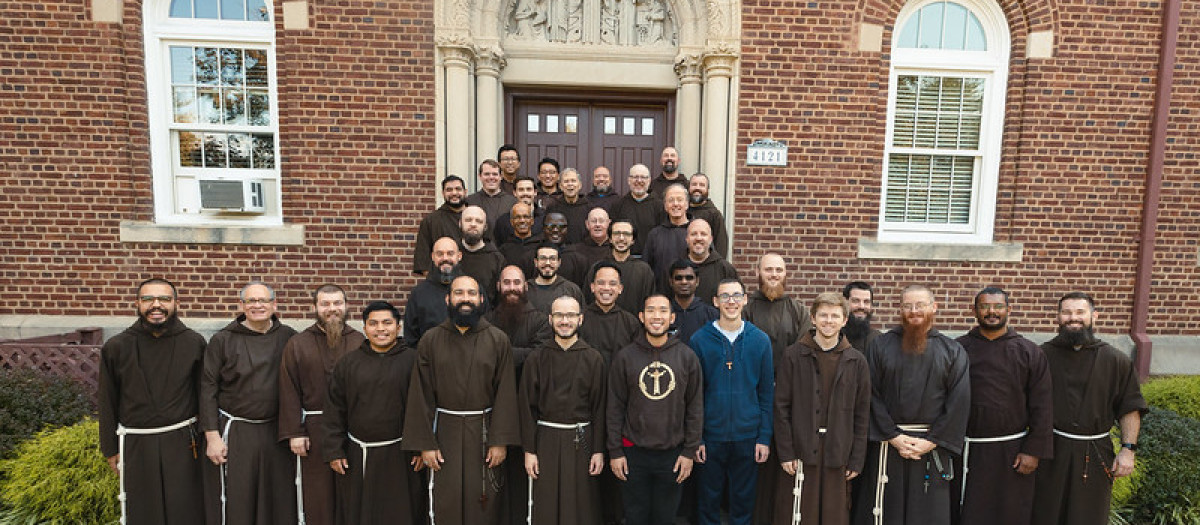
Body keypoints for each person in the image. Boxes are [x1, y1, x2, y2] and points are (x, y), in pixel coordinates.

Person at [403, 276, 521, 525]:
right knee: (447, 501)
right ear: (448, 299)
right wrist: (425, 443)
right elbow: (420, 394)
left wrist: (500, 441)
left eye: (470, 293)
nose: (465, 299)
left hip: (485, 434)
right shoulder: (431, 340)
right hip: (444, 435)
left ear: (480, 299)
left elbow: (506, 393)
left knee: (485, 502)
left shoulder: (498, 340)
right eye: (459, 293)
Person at [851, 285, 969, 525]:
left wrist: (932, 440)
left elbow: (959, 401)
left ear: (934, 307)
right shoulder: (880, 345)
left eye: (920, 305)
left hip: (931, 447)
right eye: (908, 306)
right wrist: (893, 436)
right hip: (888, 444)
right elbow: (869, 394)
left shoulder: (953, 350)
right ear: (900, 309)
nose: (914, 311)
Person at [1032, 292, 1147, 525]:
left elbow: (1129, 408)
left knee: (1088, 517)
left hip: (1094, 453)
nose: (1072, 318)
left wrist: (1128, 450)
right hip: (1050, 450)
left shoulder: (1115, 360)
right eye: (1066, 312)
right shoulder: (1041, 355)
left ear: (1094, 316)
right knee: (1045, 515)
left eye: (1079, 312)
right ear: (1058, 317)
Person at [99, 278, 207, 525]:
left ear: (176, 303)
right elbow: (107, 400)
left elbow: (205, 396)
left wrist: (209, 438)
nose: (156, 305)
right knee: (143, 512)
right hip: (136, 444)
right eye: (148, 299)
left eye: (164, 299)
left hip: (183, 443)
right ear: (137, 303)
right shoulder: (116, 347)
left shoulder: (194, 343)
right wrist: (111, 448)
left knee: (186, 510)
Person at [201, 282, 299, 525]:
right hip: (238, 432)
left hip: (278, 432)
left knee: (279, 498)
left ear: (274, 305)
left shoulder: (289, 337)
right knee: (239, 498)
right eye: (251, 301)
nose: (258, 305)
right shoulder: (222, 340)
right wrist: (212, 437)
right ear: (242, 306)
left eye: (263, 300)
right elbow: (208, 388)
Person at [953, 287, 1052, 525]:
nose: (991, 312)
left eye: (998, 307)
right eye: (985, 306)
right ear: (975, 311)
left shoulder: (1029, 352)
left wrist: (1033, 450)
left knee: (1008, 514)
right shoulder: (957, 349)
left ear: (1009, 309)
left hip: (1012, 452)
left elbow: (1042, 404)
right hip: (967, 451)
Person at [773, 292, 870, 525]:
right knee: (797, 513)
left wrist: (856, 459)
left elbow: (862, 414)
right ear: (813, 319)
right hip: (800, 451)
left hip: (839, 452)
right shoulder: (793, 355)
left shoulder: (857, 361)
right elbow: (781, 407)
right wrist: (785, 452)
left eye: (835, 316)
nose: (829, 321)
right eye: (823, 315)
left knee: (834, 515)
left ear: (844, 320)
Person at [322, 301, 423, 525]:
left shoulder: (414, 361)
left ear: (398, 327)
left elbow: (423, 407)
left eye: (387, 323)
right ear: (364, 328)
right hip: (358, 455)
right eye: (373, 324)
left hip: (402, 455)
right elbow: (334, 409)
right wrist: (334, 450)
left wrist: (420, 447)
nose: (380, 329)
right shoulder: (348, 364)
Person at [607, 294, 704, 525]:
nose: (656, 316)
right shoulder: (625, 357)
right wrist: (616, 451)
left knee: (665, 518)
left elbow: (695, 407)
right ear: (641, 317)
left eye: (662, 311)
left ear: (672, 317)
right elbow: (614, 407)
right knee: (635, 517)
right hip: (633, 454)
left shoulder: (687, 357)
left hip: (672, 454)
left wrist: (689, 451)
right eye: (651, 310)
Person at [278, 284, 366, 525]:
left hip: (351, 431)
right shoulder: (298, 343)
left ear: (347, 306)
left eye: (337, 303)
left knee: (350, 491)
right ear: (315, 307)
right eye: (325, 304)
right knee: (318, 496)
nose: (332, 309)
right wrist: (295, 432)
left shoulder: (360, 341)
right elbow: (289, 388)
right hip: (313, 432)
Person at [689, 279, 774, 525]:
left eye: (736, 295)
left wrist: (763, 438)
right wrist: (698, 438)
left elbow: (766, 394)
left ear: (745, 299)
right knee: (708, 502)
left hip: (747, 437)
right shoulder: (699, 340)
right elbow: (693, 395)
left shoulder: (760, 340)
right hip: (711, 437)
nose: (731, 301)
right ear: (715, 302)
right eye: (725, 296)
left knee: (743, 503)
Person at [520, 296, 607, 525]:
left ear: (580, 319)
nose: (564, 321)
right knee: (545, 502)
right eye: (559, 315)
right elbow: (526, 407)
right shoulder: (536, 358)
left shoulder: (593, 358)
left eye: (570, 316)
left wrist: (598, 450)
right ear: (550, 319)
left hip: (582, 441)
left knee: (579, 504)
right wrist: (529, 450)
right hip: (545, 440)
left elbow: (600, 408)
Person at [743, 253, 812, 525]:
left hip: (788, 398)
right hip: (752, 398)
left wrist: (782, 384)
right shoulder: (746, 308)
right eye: (768, 269)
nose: (774, 274)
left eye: (779, 270)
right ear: (758, 272)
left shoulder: (798, 310)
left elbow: (803, 351)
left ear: (786, 274)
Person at [485, 265, 553, 525]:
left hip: (530, 407)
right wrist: (519, 354)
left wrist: (501, 354)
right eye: (506, 283)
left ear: (526, 286)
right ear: (499, 287)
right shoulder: (488, 319)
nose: (511, 287)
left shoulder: (539, 320)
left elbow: (540, 355)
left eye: (516, 282)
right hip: (494, 408)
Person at [583, 220, 655, 315]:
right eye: (617, 233)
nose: (621, 238)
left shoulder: (644, 271)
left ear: (633, 240)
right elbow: (587, 300)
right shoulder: (597, 268)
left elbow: (649, 304)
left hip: (634, 327)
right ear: (610, 238)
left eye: (626, 234)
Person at [578, 261, 642, 365]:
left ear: (620, 288)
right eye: (601, 283)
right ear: (592, 287)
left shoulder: (630, 322)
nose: (606, 288)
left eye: (612, 283)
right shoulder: (580, 320)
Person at [403, 236, 462, 347]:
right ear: (433, 257)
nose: (445, 258)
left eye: (450, 253)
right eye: (440, 254)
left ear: (459, 256)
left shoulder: (472, 289)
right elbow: (411, 338)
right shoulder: (419, 294)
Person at [413, 176, 467, 275]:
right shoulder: (431, 221)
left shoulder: (476, 218)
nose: (454, 193)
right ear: (443, 193)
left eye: (458, 189)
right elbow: (423, 260)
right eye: (449, 190)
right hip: (442, 281)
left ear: (465, 192)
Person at [643, 184, 690, 292]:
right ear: (665, 206)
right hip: (662, 297)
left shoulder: (698, 232)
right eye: (671, 200)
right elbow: (647, 270)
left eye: (680, 200)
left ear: (687, 204)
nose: (675, 204)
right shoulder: (654, 235)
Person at [610, 164, 664, 256]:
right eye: (635, 177)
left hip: (652, 258)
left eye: (643, 177)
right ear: (629, 180)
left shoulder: (659, 206)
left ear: (649, 180)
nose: (639, 181)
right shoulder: (618, 205)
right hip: (624, 258)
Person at [458, 205, 506, 304]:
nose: (473, 224)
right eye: (468, 220)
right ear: (460, 224)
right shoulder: (450, 255)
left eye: (478, 221)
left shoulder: (497, 259)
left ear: (485, 227)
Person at [686, 219, 738, 305]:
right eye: (693, 234)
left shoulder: (725, 269)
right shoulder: (677, 268)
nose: (698, 238)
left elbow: (737, 300)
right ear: (687, 239)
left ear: (711, 239)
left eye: (703, 234)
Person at [669, 259, 719, 346]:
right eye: (678, 278)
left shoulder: (711, 315)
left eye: (689, 278)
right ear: (671, 282)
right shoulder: (664, 313)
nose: (684, 282)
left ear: (697, 281)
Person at [526, 243, 586, 314]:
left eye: (552, 259)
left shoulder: (571, 289)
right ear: (536, 262)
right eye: (543, 258)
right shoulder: (526, 289)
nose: (547, 263)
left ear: (559, 262)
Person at [466, 159, 518, 236]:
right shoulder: (469, 201)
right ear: (480, 176)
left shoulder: (512, 202)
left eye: (495, 174)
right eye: (487, 174)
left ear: (501, 176)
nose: (491, 177)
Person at [498, 201, 544, 279]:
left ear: (532, 221)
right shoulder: (503, 250)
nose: (522, 220)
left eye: (526, 217)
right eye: (517, 217)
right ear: (511, 222)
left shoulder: (541, 247)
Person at [685, 173, 728, 258]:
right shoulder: (682, 211)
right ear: (688, 188)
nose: (697, 188)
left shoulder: (715, 215)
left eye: (702, 185)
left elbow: (720, 245)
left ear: (707, 190)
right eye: (694, 184)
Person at [495, 178, 546, 246]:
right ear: (515, 193)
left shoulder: (545, 218)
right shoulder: (503, 221)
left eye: (529, 189)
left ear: (535, 192)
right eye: (521, 190)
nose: (525, 193)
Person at [547, 167, 592, 244]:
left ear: (580, 185)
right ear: (561, 186)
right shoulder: (553, 207)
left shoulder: (589, 207)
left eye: (573, 181)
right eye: (566, 181)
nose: (570, 184)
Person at [842, 282, 882, 353]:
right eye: (855, 301)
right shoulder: (834, 337)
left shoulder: (878, 340)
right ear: (845, 303)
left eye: (866, 302)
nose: (861, 306)